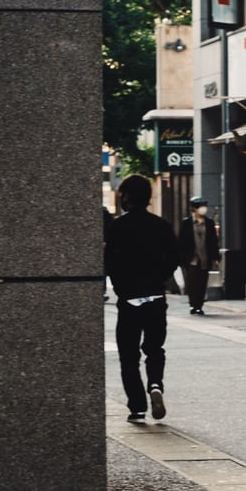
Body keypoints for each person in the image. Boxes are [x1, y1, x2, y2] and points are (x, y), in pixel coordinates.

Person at [105, 175, 179, 424]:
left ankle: (137, 407)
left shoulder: (118, 226)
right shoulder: (161, 225)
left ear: (126, 196)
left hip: (129, 299)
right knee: (154, 349)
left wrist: (120, 286)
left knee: (129, 355)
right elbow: (174, 257)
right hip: (155, 296)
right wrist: (159, 278)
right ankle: (155, 384)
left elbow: (110, 261)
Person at [177, 196, 220, 315]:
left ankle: (199, 305)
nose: (203, 209)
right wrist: (180, 258)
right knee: (192, 282)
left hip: (205, 257)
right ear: (194, 209)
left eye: (204, 206)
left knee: (202, 282)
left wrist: (216, 257)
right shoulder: (186, 223)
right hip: (191, 258)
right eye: (201, 206)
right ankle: (193, 304)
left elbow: (213, 241)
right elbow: (181, 242)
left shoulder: (209, 223)